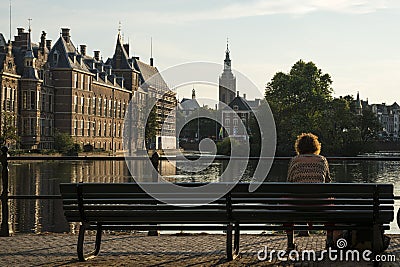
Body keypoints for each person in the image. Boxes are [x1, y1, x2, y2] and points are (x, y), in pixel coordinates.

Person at [285, 133, 332, 251]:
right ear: (316, 146)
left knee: (285, 205)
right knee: (332, 204)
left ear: (299, 147)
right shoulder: (322, 160)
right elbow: (328, 183)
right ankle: (330, 241)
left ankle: (290, 243)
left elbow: (289, 182)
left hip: (297, 205)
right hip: (319, 204)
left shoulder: (294, 161)